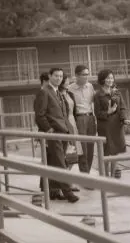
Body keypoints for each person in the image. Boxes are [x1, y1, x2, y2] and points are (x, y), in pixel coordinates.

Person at [33, 67, 79, 203]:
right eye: (56, 76)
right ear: (50, 76)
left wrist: (68, 131)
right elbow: (40, 116)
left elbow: (63, 115)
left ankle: (52, 190)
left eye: (60, 76)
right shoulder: (44, 92)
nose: (58, 78)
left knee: (54, 162)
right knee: (60, 163)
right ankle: (68, 192)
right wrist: (49, 130)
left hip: (63, 132)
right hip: (53, 133)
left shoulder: (58, 92)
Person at [94, 69, 130, 177]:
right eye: (108, 78)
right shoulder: (98, 95)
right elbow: (97, 113)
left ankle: (113, 177)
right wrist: (108, 112)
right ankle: (105, 178)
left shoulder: (117, 92)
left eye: (111, 78)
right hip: (105, 126)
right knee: (106, 152)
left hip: (116, 126)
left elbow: (123, 108)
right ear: (102, 79)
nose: (110, 80)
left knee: (115, 151)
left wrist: (124, 119)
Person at [68, 65, 96, 174]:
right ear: (76, 75)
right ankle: (85, 175)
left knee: (90, 147)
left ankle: (87, 173)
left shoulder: (90, 86)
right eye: (84, 74)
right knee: (82, 148)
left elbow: (94, 101)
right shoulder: (70, 88)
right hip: (79, 119)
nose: (86, 77)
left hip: (90, 118)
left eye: (87, 74)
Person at [59, 73, 83, 176]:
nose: (68, 82)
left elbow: (74, 111)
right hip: (64, 123)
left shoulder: (70, 94)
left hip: (73, 122)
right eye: (66, 81)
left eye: (68, 81)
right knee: (66, 152)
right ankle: (64, 180)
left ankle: (67, 180)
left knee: (74, 153)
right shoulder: (57, 94)